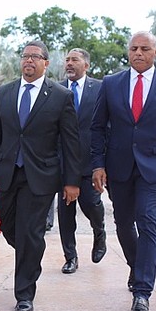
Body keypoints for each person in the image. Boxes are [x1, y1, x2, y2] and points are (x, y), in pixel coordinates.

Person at [0, 40, 81, 311]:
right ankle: (31, 257)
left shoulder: (60, 96)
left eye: (35, 57)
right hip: (7, 173)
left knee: (31, 232)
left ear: (46, 63)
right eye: (25, 56)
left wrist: (72, 182)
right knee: (9, 227)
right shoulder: (6, 92)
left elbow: (70, 143)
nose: (29, 61)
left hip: (42, 176)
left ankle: (24, 292)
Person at [91, 31, 156, 311]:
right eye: (133, 48)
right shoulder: (111, 84)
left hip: (155, 169)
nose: (138, 53)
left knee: (149, 224)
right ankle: (137, 266)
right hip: (119, 166)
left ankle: (142, 292)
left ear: (155, 52)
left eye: (144, 48)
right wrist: (97, 165)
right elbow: (97, 128)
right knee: (123, 224)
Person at [57, 48, 107, 274]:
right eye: (67, 60)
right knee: (65, 212)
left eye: (74, 60)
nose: (69, 63)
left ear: (86, 65)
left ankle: (99, 231)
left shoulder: (100, 88)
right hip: (62, 162)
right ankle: (71, 257)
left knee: (91, 204)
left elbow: (107, 125)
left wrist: (103, 161)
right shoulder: (56, 90)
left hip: (90, 159)